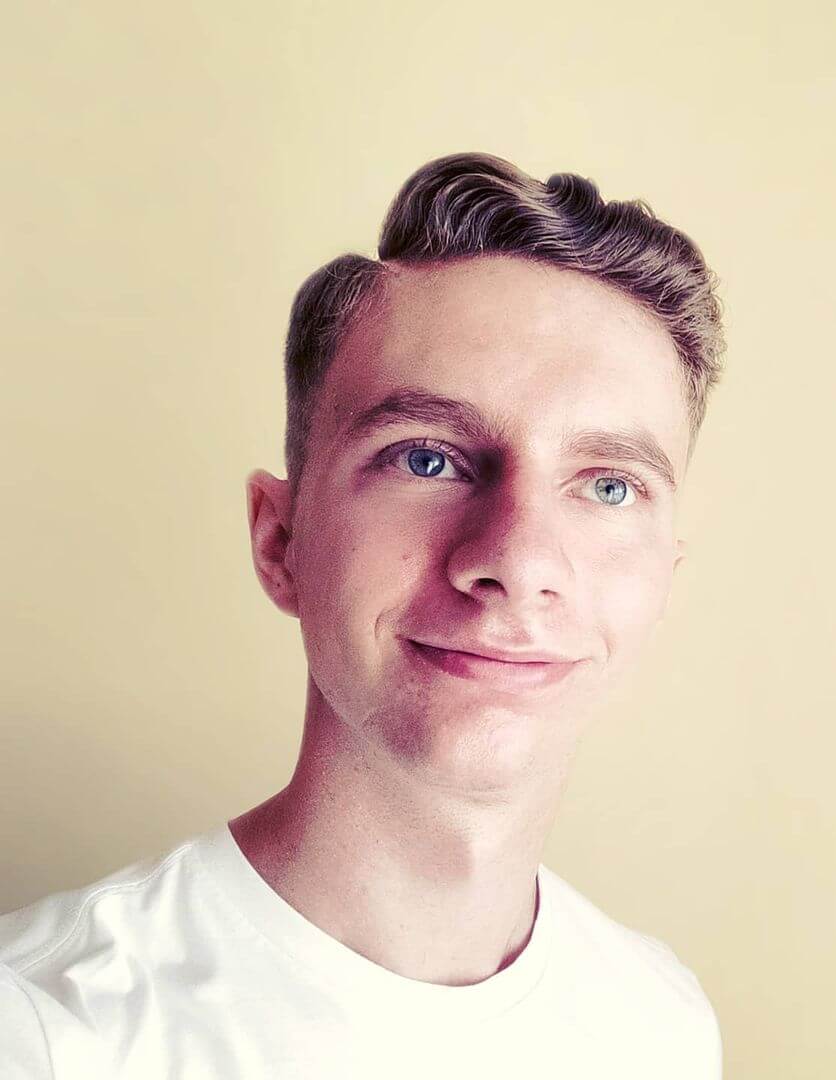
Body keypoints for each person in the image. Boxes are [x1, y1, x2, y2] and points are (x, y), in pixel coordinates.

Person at [1, 151, 726, 1078]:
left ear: (665, 578)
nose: (517, 563)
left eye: (609, 485)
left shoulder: (662, 1023)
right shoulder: (45, 1033)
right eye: (428, 458)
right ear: (281, 541)